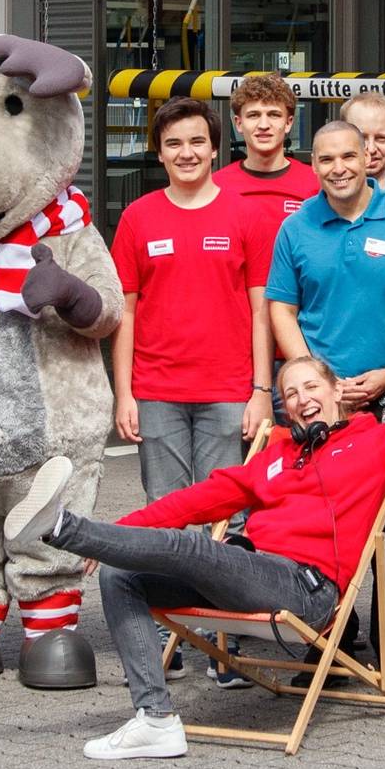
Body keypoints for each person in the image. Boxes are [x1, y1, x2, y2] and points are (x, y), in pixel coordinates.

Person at [25, 341, 385, 759]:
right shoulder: (273, 458)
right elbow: (197, 499)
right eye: (289, 394)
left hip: (306, 589)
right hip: (249, 574)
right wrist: (125, 530)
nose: (301, 401)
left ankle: (63, 529)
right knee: (122, 577)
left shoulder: (377, 441)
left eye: (311, 389)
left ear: (337, 394)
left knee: (185, 549)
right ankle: (154, 719)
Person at [266, 120, 385, 678]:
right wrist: (312, 380)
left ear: (369, 155)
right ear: (312, 163)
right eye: (326, 159)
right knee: (321, 524)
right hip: (324, 403)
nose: (339, 168)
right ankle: (330, 643)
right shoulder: (296, 229)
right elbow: (281, 309)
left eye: (349, 155)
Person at [112, 98, 277, 682]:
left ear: (214, 148)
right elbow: (124, 313)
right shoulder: (139, 218)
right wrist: (123, 393)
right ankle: (168, 633)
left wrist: (261, 390)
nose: (187, 153)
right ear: (159, 154)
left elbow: (263, 311)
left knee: (224, 520)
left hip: (228, 391)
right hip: (157, 388)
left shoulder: (245, 216)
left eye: (196, 143)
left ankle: (219, 639)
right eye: (174, 144)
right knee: (163, 517)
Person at [214, 72, 321, 227]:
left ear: (289, 123)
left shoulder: (315, 184)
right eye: (253, 115)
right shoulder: (217, 185)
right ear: (238, 124)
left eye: (274, 115)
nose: (263, 125)